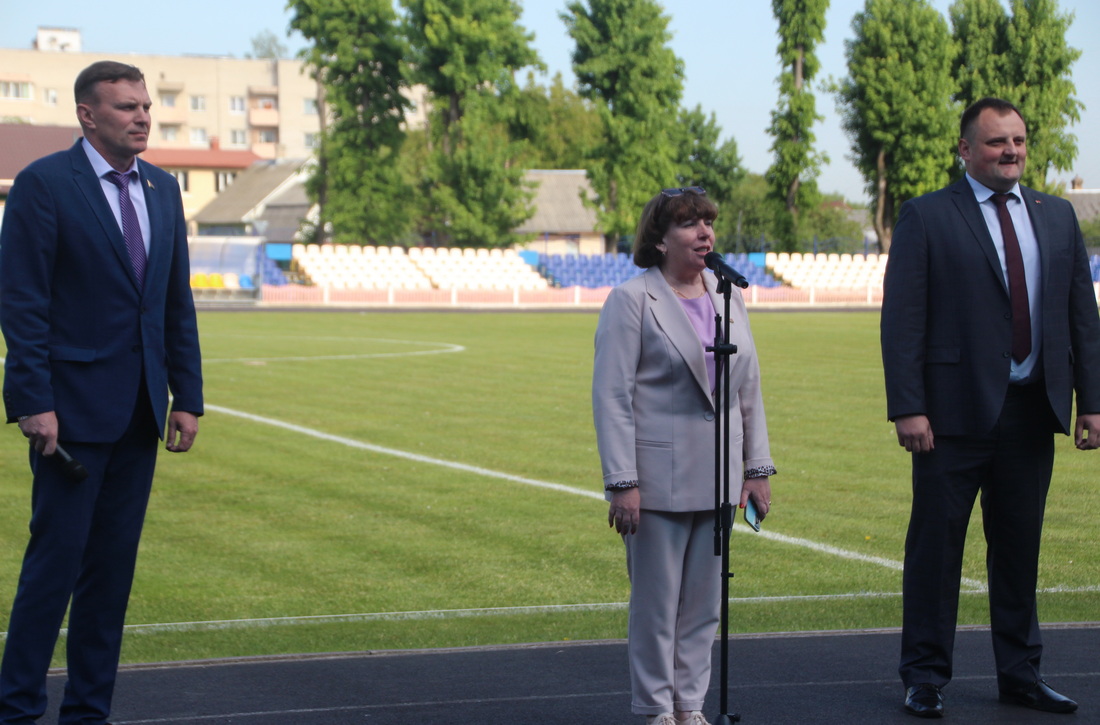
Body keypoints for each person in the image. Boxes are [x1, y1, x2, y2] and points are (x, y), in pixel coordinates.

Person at [881, 97, 1100, 719]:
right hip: (949, 417)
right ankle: (924, 676)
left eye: (1020, 141)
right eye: (998, 142)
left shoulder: (1056, 217)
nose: (1012, 151)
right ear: (966, 150)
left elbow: (1082, 317)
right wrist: (908, 407)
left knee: (1020, 549)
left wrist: (1093, 402)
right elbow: (903, 320)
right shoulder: (927, 216)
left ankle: (1021, 675)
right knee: (936, 550)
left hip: (1033, 411)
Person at [0, 60, 203, 725]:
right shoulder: (44, 185)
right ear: (88, 115)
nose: (142, 116)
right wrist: (32, 398)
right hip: (70, 413)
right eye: (126, 107)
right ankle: (18, 706)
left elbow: (175, 303)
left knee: (110, 579)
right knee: (53, 571)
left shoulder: (165, 189)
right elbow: (23, 301)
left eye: (145, 106)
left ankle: (88, 711)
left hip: (142, 411)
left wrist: (188, 394)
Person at [592, 187, 775, 725]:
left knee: (703, 608)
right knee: (656, 609)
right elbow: (612, 397)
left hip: (719, 478)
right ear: (659, 238)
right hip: (656, 482)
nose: (704, 232)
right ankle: (654, 710)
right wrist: (622, 481)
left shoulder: (728, 294)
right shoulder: (631, 300)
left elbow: (749, 389)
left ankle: (689, 706)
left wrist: (756, 470)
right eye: (689, 223)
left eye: (708, 222)